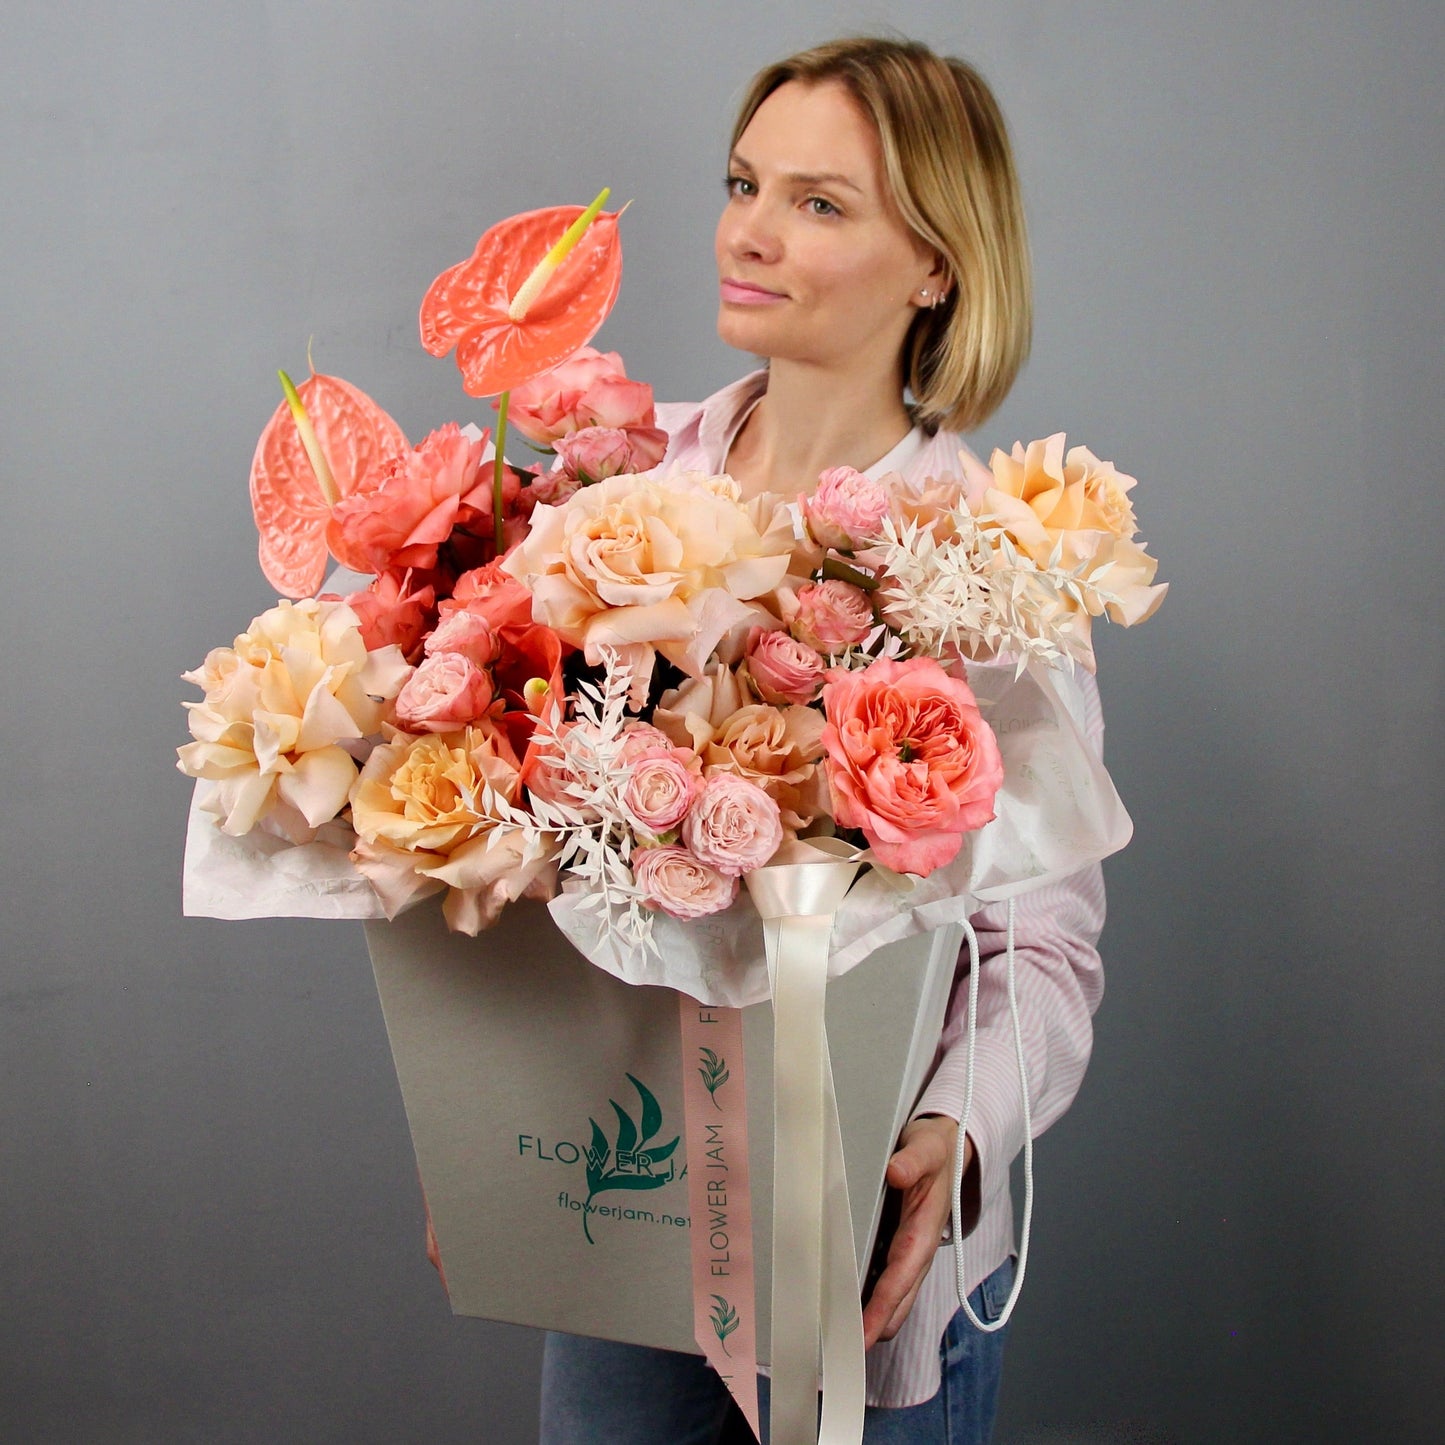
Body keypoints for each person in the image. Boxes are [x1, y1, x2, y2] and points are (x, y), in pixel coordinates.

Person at [539, 35, 1106, 1445]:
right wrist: (487, 1140)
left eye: (819, 203)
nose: (749, 232)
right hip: (620, 1210)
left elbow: (1043, 950)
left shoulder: (990, 568)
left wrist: (960, 1131)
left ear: (937, 266)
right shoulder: (607, 494)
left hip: (858, 1259)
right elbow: (524, 850)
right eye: (744, 184)